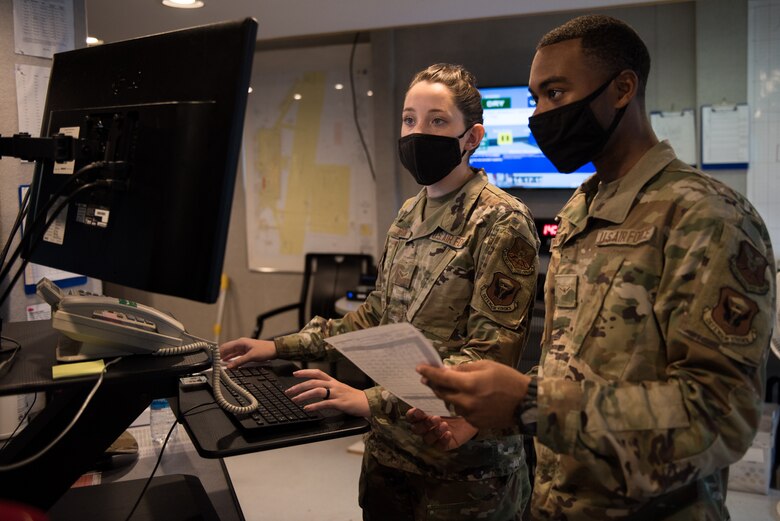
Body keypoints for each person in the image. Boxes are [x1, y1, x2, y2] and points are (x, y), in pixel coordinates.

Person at [412, 15, 776, 520]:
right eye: (536, 98)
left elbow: (721, 416)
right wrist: (494, 407)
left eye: (556, 93)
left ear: (622, 88)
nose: (541, 115)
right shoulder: (582, 210)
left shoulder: (706, 216)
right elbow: (578, 367)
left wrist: (530, 403)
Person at [220, 63, 540, 521]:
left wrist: (367, 399)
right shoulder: (409, 213)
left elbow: (490, 358)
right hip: (390, 456)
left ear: (471, 137)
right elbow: (374, 317)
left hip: (465, 475)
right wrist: (276, 346)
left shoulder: (501, 221)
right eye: (410, 119)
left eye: (437, 121)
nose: (418, 132)